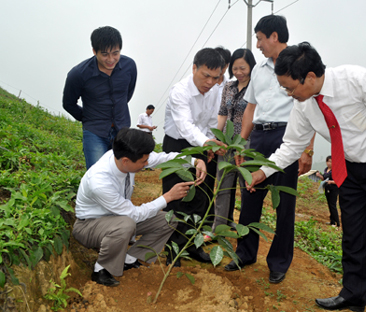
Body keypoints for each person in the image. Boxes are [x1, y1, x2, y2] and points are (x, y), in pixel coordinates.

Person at [248, 42, 366, 311]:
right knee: (353, 236)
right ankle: (352, 294)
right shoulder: (304, 105)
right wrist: (261, 171)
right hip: (348, 170)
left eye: (290, 87)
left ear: (310, 77)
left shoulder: (358, 80)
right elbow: (291, 146)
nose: (288, 94)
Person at [223, 15, 315, 286]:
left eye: (260, 38)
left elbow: (310, 106)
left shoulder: (302, 63)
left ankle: (278, 262)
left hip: (289, 137)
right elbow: (251, 107)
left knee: (284, 204)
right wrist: (242, 142)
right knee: (250, 196)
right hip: (259, 138)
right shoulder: (260, 70)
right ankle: (245, 253)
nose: (258, 44)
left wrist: (307, 148)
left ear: (274, 36)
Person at [72, 128, 206, 287]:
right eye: (143, 162)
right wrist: (168, 197)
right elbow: (133, 215)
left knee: (168, 220)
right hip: (89, 226)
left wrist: (194, 161)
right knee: (126, 224)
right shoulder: (100, 181)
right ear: (126, 161)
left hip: (117, 218)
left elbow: (163, 158)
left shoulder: (124, 158)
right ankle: (101, 269)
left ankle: (130, 259)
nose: (147, 164)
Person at [162, 47, 226, 267]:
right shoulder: (179, 91)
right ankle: (172, 249)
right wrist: (207, 142)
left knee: (202, 197)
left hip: (202, 145)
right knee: (177, 198)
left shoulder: (216, 90)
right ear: (194, 68)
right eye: (205, 75)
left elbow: (210, 122)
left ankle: (193, 245)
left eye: (215, 77)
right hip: (178, 146)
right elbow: (185, 126)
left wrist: (208, 144)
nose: (209, 82)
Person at [63, 26, 137, 170]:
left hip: (122, 130)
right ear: (94, 51)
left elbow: (127, 95)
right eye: (105, 54)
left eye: (115, 53)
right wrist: (88, 117)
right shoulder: (78, 74)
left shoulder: (129, 66)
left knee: (123, 174)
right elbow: (68, 103)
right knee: (97, 176)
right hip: (95, 132)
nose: (111, 59)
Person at [208, 48, 256, 237]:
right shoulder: (228, 86)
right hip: (227, 143)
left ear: (251, 67)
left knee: (246, 188)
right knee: (222, 187)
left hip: (248, 144)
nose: (238, 72)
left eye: (242, 68)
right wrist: (215, 138)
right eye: (235, 68)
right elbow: (222, 113)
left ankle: (244, 232)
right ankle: (217, 229)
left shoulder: (256, 87)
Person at [316, 156, 340, 227]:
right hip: (327, 189)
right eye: (328, 161)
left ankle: (336, 222)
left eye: (331, 161)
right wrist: (319, 175)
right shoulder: (326, 170)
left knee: (333, 205)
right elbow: (324, 178)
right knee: (329, 205)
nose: (329, 163)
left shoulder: (335, 170)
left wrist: (331, 182)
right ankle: (332, 221)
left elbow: (338, 181)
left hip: (334, 189)